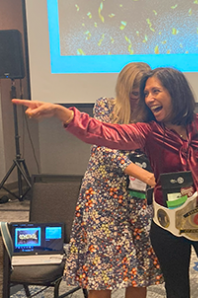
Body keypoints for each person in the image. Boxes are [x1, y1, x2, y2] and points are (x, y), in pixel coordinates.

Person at [13, 67, 198, 298]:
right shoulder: (149, 132)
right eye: (145, 93)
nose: (149, 98)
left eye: (155, 91)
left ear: (175, 92)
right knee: (176, 291)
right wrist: (63, 114)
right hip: (170, 223)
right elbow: (103, 133)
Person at [62, 62, 163, 298]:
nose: (142, 99)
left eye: (146, 93)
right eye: (136, 93)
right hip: (102, 197)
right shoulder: (105, 106)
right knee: (101, 267)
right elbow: (102, 149)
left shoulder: (153, 115)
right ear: (123, 88)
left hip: (137, 198)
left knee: (140, 262)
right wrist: (144, 175)